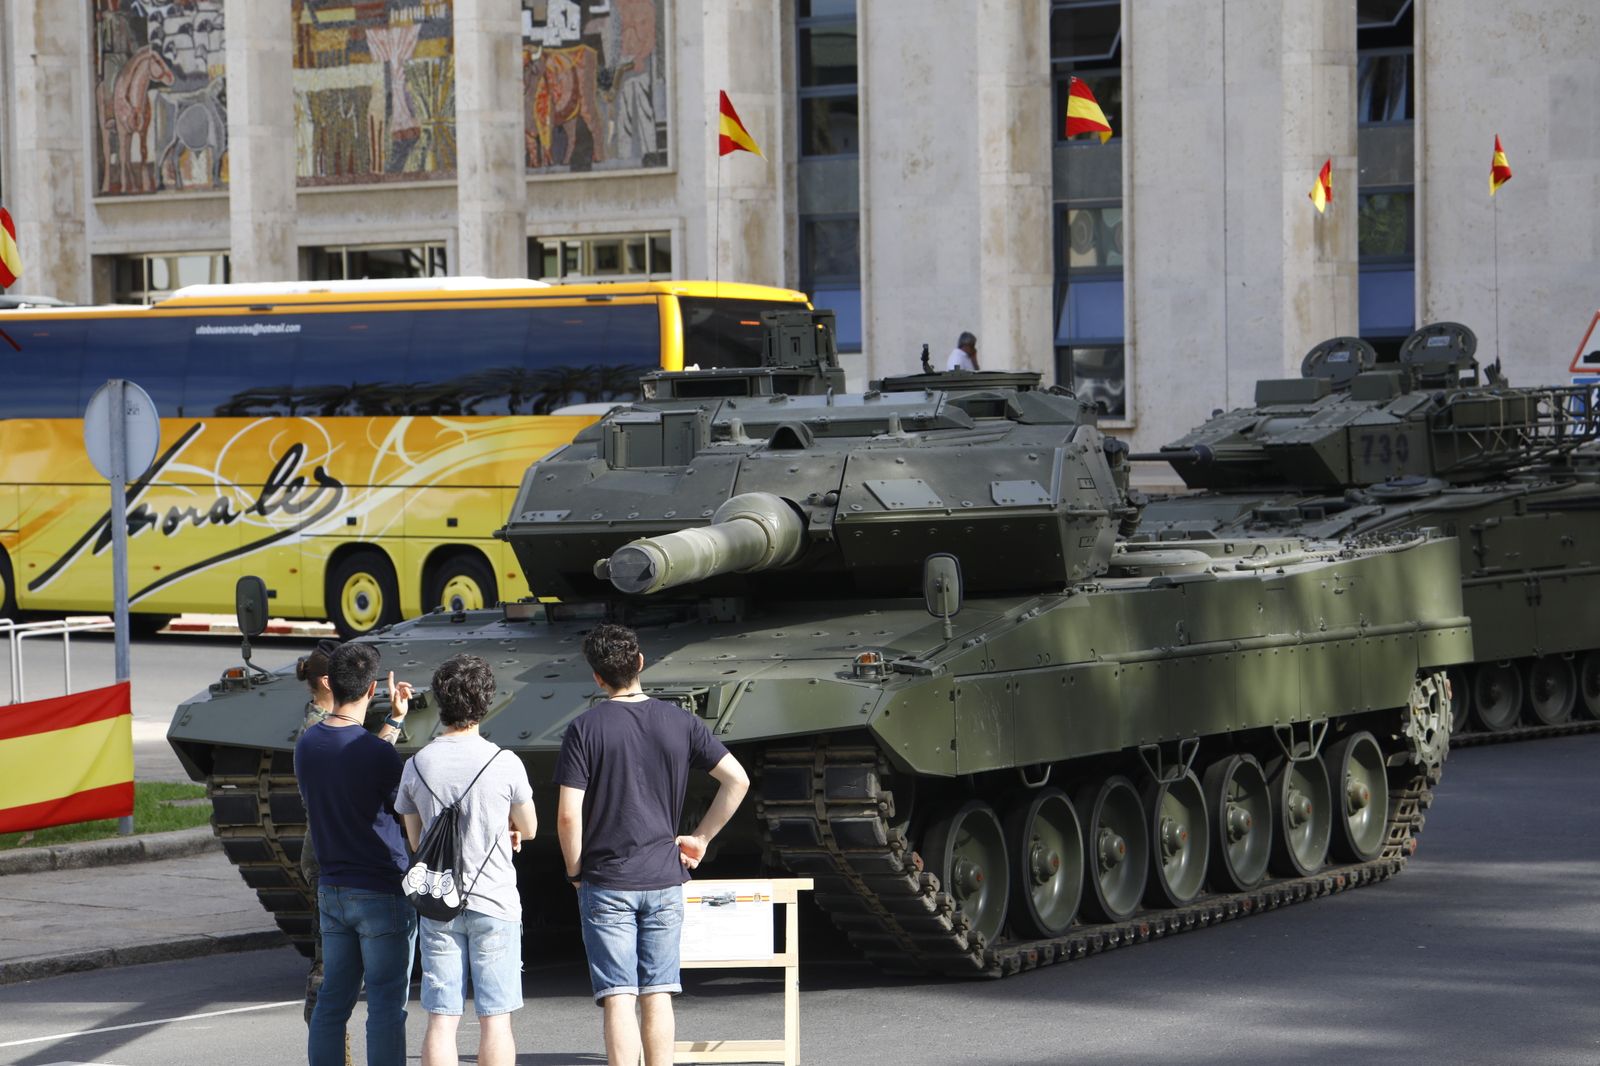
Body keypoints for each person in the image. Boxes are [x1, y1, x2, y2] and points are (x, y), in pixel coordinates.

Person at [556, 623, 750, 1066]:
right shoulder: (680, 721)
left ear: (597, 678)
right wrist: (700, 837)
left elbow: (568, 814)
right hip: (664, 877)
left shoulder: (584, 729)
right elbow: (737, 780)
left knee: (619, 995)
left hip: (606, 880)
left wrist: (574, 871)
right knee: (658, 991)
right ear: (641, 664)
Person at [396, 654, 538, 1066]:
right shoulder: (504, 762)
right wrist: (507, 827)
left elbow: (416, 838)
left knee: (441, 1019)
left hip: (439, 900)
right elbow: (528, 828)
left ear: (440, 702)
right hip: (494, 901)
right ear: (487, 702)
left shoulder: (418, 763)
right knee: (496, 1021)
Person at [294, 642, 417, 1066]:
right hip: (381, 889)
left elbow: (351, 758)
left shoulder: (308, 743)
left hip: (333, 889)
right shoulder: (378, 754)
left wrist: (393, 722)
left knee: (333, 1003)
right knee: (385, 1005)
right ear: (371, 689)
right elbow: (404, 809)